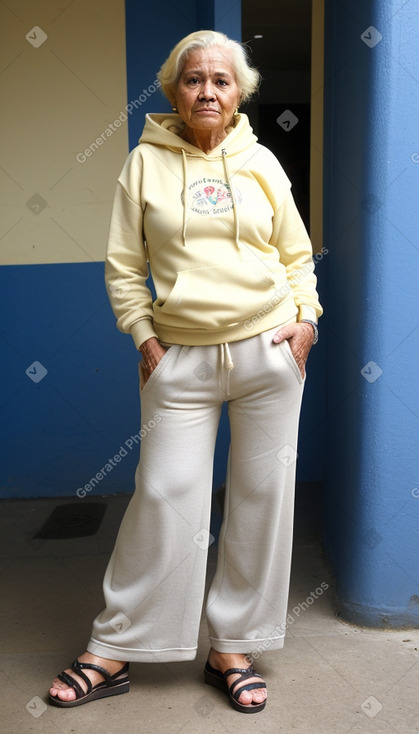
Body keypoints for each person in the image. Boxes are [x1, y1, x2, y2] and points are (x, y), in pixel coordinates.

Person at [49, 29, 322, 714]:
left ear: (238, 94)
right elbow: (121, 266)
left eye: (220, 81)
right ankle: (113, 648)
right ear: (174, 90)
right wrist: (144, 338)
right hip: (180, 358)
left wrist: (306, 321)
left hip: (268, 353)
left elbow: (294, 255)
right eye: (194, 79)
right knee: (165, 498)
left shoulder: (260, 161)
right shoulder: (142, 163)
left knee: (262, 500)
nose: (206, 91)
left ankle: (232, 647)